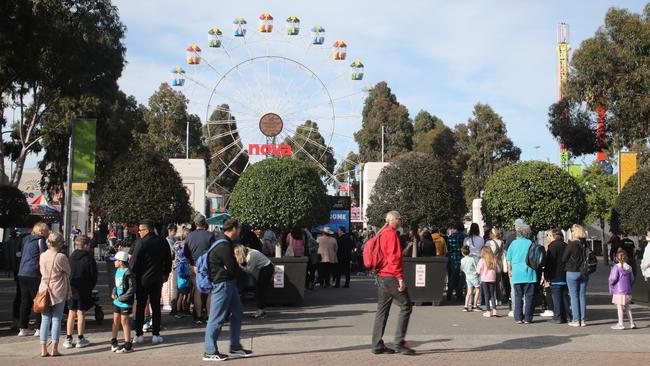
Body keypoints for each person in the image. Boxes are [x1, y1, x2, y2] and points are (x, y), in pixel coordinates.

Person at [203, 219, 252, 361]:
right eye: (239, 229)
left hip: (228, 283)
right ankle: (209, 351)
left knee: (237, 313)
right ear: (234, 228)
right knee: (216, 318)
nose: (240, 231)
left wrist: (231, 267)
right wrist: (233, 266)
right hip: (222, 284)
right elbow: (232, 268)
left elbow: (230, 267)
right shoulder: (223, 245)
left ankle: (235, 346)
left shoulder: (225, 242)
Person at [371, 211, 415, 355]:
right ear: (393, 220)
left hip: (381, 275)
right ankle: (399, 342)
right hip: (391, 276)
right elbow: (394, 259)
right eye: (399, 219)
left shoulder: (381, 234)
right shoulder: (391, 235)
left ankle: (377, 344)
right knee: (406, 305)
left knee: (382, 310)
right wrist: (400, 279)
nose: (400, 221)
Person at [130, 219, 172, 345]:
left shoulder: (141, 243)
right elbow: (168, 259)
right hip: (157, 278)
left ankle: (139, 334)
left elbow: (134, 263)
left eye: (141, 230)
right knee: (155, 307)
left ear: (146, 230)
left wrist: (132, 275)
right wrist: (166, 273)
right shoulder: (162, 241)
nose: (139, 232)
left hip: (142, 280)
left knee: (140, 306)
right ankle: (156, 334)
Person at [38, 232, 71, 357]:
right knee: (56, 319)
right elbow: (68, 271)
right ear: (59, 243)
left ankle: (43, 348)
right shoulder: (60, 257)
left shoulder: (42, 255)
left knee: (45, 319)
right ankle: (54, 349)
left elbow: (41, 270)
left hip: (44, 289)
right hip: (58, 290)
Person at [64, 235, 98, 349]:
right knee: (81, 313)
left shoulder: (71, 257)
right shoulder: (88, 258)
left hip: (72, 288)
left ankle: (68, 338)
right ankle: (80, 338)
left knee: (71, 313)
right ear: (86, 245)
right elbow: (93, 275)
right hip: (84, 288)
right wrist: (90, 286)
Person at [17, 222, 49, 337]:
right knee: (38, 300)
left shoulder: (26, 240)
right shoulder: (40, 241)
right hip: (34, 273)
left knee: (25, 301)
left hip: (22, 273)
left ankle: (23, 327)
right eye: (46, 231)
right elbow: (44, 256)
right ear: (42, 231)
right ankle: (39, 327)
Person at [184, 214, 215, 324]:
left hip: (194, 266)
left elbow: (186, 253)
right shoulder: (210, 235)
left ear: (195, 223)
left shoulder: (189, 236)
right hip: (208, 266)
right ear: (204, 223)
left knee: (197, 290)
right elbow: (214, 252)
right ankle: (209, 316)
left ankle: (197, 316)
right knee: (210, 291)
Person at [506, 224, 537, 324]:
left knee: (518, 295)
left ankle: (518, 317)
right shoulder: (531, 243)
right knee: (529, 296)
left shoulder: (514, 243)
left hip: (517, 273)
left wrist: (509, 270)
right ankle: (528, 317)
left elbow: (508, 258)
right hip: (529, 273)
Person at [234, 245, 274, 318]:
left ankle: (261, 311)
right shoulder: (249, 251)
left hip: (266, 268)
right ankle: (261, 310)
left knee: (260, 290)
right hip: (264, 268)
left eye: (237, 254)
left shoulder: (251, 255)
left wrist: (239, 265)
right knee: (259, 289)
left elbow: (249, 270)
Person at [563, 224, 590, 327]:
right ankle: (582, 320)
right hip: (585, 272)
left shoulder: (572, 244)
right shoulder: (586, 244)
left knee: (574, 296)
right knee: (582, 296)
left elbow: (564, 258)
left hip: (572, 271)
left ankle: (576, 320)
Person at [544, 229, 570, 324]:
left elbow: (549, 262)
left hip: (555, 275)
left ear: (554, 236)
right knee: (564, 296)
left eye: (549, 236)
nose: (548, 238)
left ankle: (557, 317)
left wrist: (546, 275)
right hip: (565, 275)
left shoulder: (552, 246)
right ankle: (567, 316)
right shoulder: (566, 245)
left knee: (556, 297)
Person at [111, 250, 134, 353]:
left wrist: (121, 298)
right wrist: (114, 292)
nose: (114, 262)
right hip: (117, 301)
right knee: (115, 320)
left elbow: (132, 289)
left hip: (125, 302)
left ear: (121, 261)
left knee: (124, 321)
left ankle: (128, 344)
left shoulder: (128, 272)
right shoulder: (117, 271)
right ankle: (114, 341)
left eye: (116, 260)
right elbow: (116, 285)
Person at [609, 248, 636, 330]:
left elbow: (613, 278)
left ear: (617, 258)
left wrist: (611, 285)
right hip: (627, 291)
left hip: (618, 290)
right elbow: (632, 279)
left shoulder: (616, 267)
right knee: (627, 307)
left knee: (619, 308)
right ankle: (632, 323)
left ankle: (621, 324)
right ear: (626, 257)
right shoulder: (629, 267)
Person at [477, 246, 500, 317]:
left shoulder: (482, 260)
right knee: (493, 295)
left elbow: (478, 270)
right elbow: (498, 270)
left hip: (484, 279)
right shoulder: (494, 259)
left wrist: (479, 272)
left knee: (487, 295)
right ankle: (494, 310)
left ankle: (488, 311)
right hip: (492, 279)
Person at [446, 225, 465, 301]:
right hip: (461, 258)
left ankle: (449, 294)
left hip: (452, 258)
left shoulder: (451, 237)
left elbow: (448, 248)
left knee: (452, 277)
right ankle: (459, 294)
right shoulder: (464, 237)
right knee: (461, 278)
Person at [460, 246, 481, 312]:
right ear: (469, 252)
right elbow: (476, 267)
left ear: (462, 253)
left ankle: (466, 306)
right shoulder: (472, 259)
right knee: (478, 289)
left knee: (469, 291)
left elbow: (462, 268)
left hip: (467, 276)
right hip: (474, 276)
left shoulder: (462, 260)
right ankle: (474, 305)